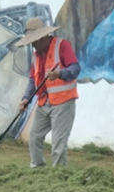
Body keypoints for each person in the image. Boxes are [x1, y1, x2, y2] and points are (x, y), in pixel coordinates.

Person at [16, 16, 80, 167]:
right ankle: (38, 170)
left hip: (63, 102)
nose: (33, 45)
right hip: (44, 103)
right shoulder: (36, 55)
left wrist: (60, 74)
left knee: (58, 143)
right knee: (34, 137)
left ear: (44, 37)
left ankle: (58, 176)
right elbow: (33, 80)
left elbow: (75, 69)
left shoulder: (62, 46)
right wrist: (26, 98)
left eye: (35, 40)